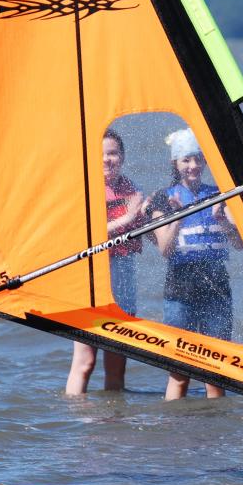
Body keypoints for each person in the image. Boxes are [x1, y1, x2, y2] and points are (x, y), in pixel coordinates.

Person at [147, 128, 243, 400]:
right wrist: (177, 216)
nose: (193, 166)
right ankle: (175, 430)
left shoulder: (220, 194)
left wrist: (222, 221)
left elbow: (238, 244)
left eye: (198, 159)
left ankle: (217, 433)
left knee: (217, 371)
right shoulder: (162, 198)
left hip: (217, 287)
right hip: (180, 289)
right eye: (186, 160)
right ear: (175, 164)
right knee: (179, 372)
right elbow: (165, 249)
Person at [65, 129, 144, 395]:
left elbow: (141, 227)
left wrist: (154, 211)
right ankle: (77, 423)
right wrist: (127, 219)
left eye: (113, 153)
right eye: (101, 155)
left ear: (122, 157)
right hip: (90, 280)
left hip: (123, 277)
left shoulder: (130, 188)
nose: (107, 160)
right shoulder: (84, 190)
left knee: (116, 365)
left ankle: (114, 424)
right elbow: (85, 233)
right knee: (85, 362)